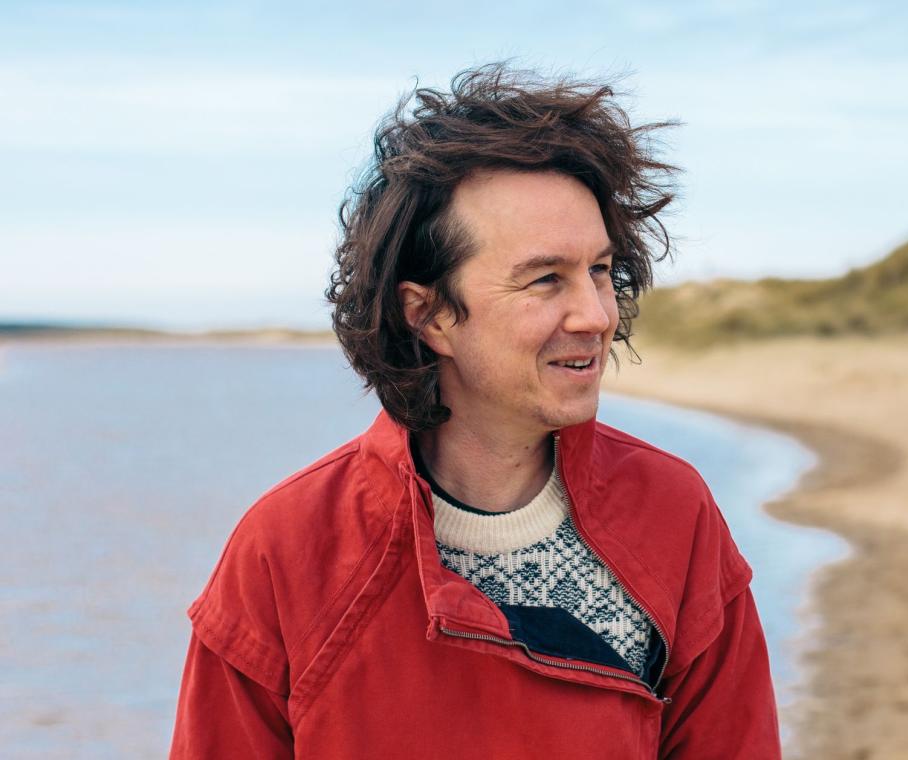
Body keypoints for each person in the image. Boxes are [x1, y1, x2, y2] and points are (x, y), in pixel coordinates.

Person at [168, 63, 781, 758]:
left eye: (602, 271)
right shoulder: (286, 551)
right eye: (546, 279)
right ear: (429, 315)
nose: (595, 313)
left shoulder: (674, 513)